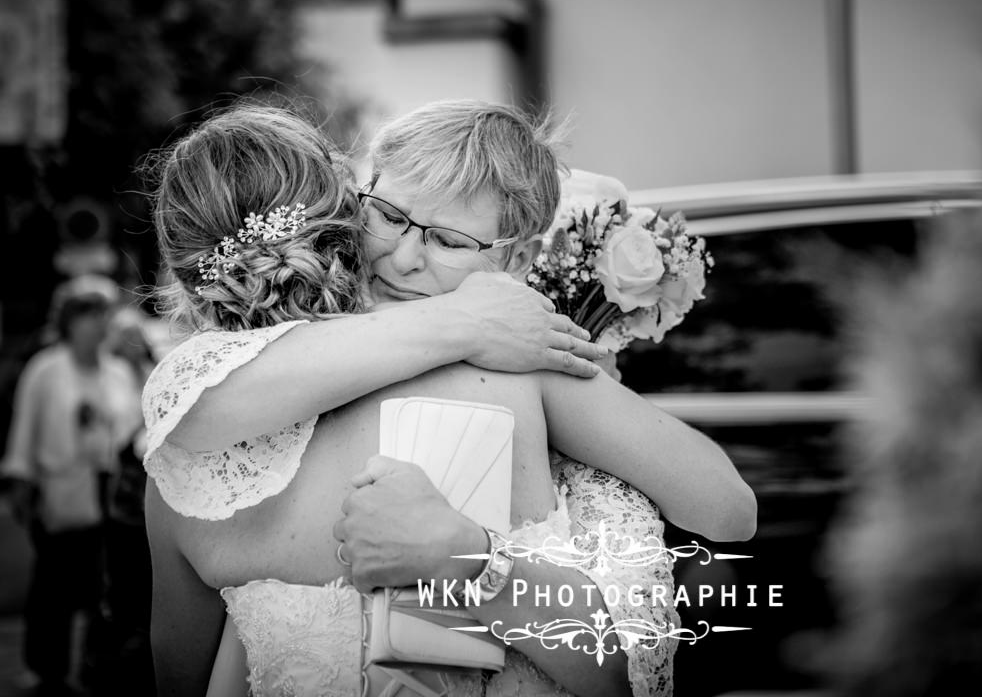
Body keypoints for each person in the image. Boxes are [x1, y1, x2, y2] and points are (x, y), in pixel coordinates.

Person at [143, 102, 755, 697]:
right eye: (389, 215)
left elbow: (727, 507)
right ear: (355, 202)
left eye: (449, 241)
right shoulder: (507, 360)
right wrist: (470, 322)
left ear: (518, 259)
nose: (405, 260)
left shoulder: (187, 458)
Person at [1, 275, 142, 697]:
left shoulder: (118, 372)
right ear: (69, 320)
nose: (96, 324)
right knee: (52, 586)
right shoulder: (46, 368)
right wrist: (21, 481)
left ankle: (91, 666)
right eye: (87, 314)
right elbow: (24, 430)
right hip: (58, 492)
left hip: (107, 498)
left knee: (101, 586)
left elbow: (135, 430)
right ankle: (48, 672)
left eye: (102, 314)